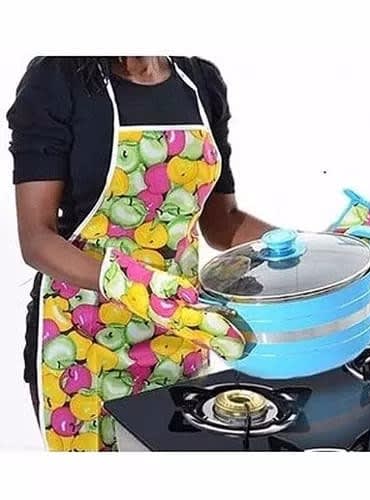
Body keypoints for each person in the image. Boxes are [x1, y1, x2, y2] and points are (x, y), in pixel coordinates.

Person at [7, 56, 273, 451]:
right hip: (84, 338)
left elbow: (222, 221)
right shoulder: (58, 80)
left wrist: (301, 247)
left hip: (181, 332)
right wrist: (128, 282)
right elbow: (36, 238)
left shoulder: (200, 81)